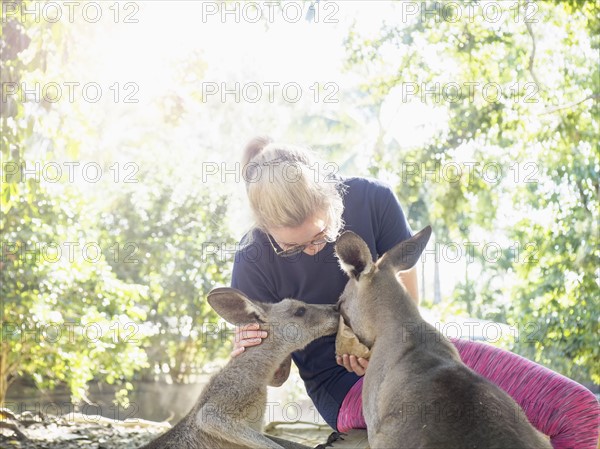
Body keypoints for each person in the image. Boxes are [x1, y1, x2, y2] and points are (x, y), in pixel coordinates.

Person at [229, 136, 600, 448]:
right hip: (341, 386)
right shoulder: (252, 259)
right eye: (292, 248)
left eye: (321, 236)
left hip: (411, 350)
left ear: (331, 200)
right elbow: (277, 377)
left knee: (580, 411)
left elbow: (408, 305)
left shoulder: (372, 199)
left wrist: (380, 347)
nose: (312, 250)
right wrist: (252, 354)